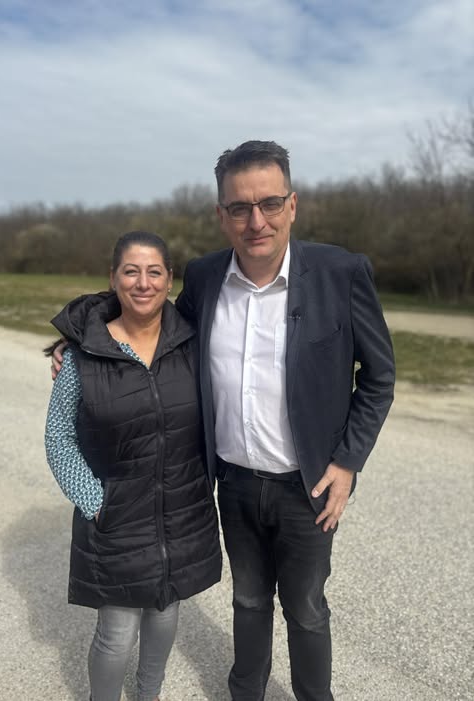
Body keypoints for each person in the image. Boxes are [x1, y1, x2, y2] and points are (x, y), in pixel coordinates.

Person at [52, 141, 395, 701]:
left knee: (307, 608)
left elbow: (379, 377)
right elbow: (144, 306)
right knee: (248, 600)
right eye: (240, 207)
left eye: (269, 203)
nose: (256, 221)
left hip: (308, 486)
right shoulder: (206, 277)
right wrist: (81, 340)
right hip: (232, 484)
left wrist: (348, 461)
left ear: (292, 205)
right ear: (222, 214)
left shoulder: (342, 273)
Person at [44, 230, 222, 701]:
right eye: (131, 271)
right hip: (118, 515)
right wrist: (96, 502)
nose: (143, 283)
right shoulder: (83, 356)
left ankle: (149, 694)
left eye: (154, 272)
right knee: (117, 633)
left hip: (181, 510)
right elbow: (59, 438)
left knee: (165, 610)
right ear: (113, 278)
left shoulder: (193, 343)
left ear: (169, 280)